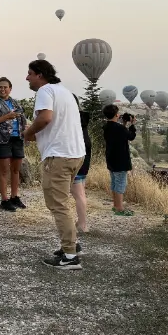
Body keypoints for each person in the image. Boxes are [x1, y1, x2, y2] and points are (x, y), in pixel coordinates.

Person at [22, 60, 86, 270]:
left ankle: (69, 256)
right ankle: (72, 243)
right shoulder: (64, 92)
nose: (27, 78)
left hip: (58, 157)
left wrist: (28, 133)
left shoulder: (45, 91)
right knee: (63, 202)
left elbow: (45, 118)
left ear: (40, 75)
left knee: (58, 205)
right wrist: (35, 134)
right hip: (75, 154)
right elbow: (55, 124)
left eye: (30, 73)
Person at [0, 77, 28, 212]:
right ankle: (4, 200)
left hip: (18, 138)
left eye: (5, 87)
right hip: (3, 139)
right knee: (4, 170)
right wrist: (7, 117)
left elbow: (22, 119)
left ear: (10, 89)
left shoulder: (16, 103)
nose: (2, 89)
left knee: (16, 170)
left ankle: (14, 197)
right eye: (0, 87)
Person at [103, 104, 137, 216]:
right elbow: (131, 136)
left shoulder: (106, 127)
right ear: (116, 114)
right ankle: (120, 208)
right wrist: (132, 124)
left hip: (111, 159)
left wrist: (124, 124)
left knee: (114, 182)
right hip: (120, 160)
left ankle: (115, 205)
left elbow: (119, 135)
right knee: (120, 184)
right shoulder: (120, 128)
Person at [71, 95, 93, 235]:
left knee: (79, 194)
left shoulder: (70, 119)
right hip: (84, 156)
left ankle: (83, 225)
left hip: (75, 156)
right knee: (81, 192)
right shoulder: (82, 118)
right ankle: (80, 221)